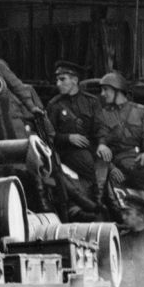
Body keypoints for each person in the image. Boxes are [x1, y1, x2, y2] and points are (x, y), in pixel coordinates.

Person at [95, 71, 144, 224]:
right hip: (122, 159)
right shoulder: (103, 114)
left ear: (117, 90)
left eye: (106, 89)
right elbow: (100, 142)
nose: (102, 94)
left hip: (141, 157)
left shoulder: (140, 110)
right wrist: (110, 164)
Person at [46, 59, 102, 212]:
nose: (58, 83)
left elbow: (100, 128)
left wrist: (102, 145)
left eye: (62, 79)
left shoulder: (92, 102)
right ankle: (94, 206)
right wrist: (68, 138)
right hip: (67, 151)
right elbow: (48, 136)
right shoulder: (54, 105)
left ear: (75, 80)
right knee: (88, 163)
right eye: (57, 80)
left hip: (91, 148)